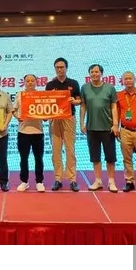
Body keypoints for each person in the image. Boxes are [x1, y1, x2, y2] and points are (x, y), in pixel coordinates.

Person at [80, 64, 119, 192]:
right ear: (89, 74)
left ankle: (111, 181)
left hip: (108, 128)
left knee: (110, 157)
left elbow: (114, 106)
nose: (94, 74)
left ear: (101, 73)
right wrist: (81, 123)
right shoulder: (85, 88)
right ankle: (98, 180)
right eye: (92, 72)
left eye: (97, 72)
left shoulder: (110, 88)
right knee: (95, 157)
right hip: (91, 128)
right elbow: (83, 106)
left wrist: (115, 124)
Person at [45, 57, 82, 192]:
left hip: (69, 118)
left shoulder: (73, 83)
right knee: (56, 150)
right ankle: (58, 179)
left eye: (62, 67)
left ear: (66, 68)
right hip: (54, 119)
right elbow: (46, 102)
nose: (60, 69)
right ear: (55, 69)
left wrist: (74, 101)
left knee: (70, 149)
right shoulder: (50, 85)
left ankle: (72, 179)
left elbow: (79, 100)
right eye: (57, 67)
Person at [12, 74, 46, 192]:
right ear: (24, 82)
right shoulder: (19, 94)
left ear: (36, 82)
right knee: (23, 158)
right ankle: (24, 181)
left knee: (39, 158)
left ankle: (39, 181)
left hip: (38, 131)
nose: (30, 82)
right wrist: (17, 117)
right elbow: (14, 110)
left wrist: (45, 117)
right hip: (23, 132)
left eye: (32, 81)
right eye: (28, 81)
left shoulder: (41, 95)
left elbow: (45, 113)